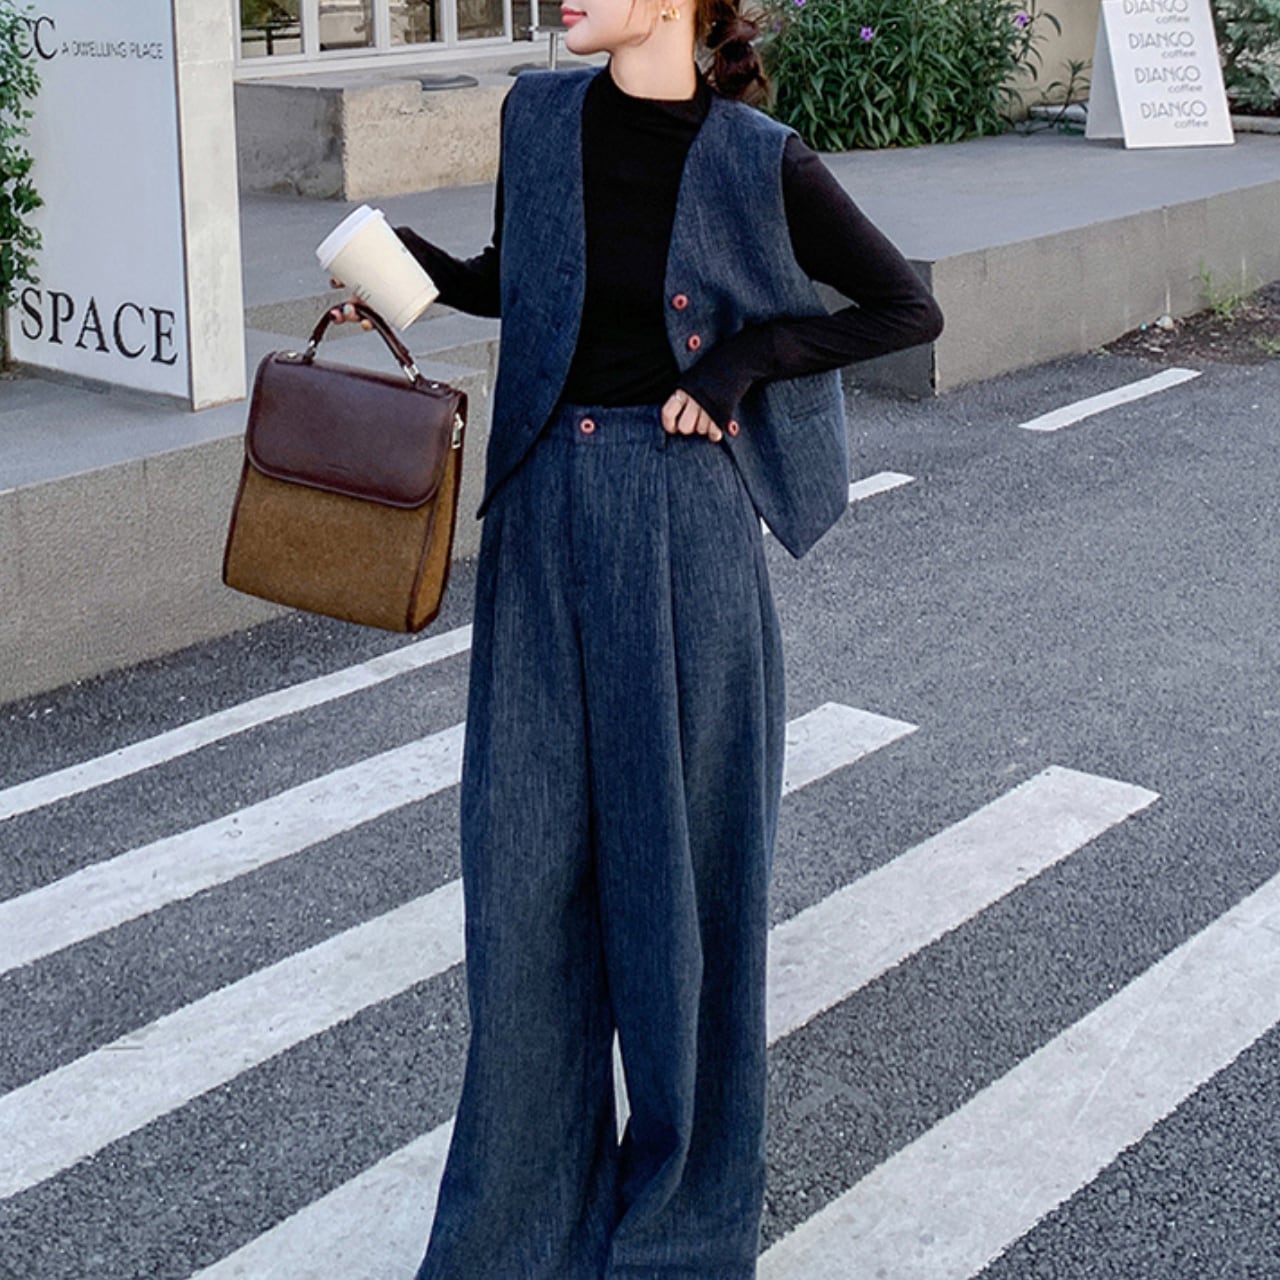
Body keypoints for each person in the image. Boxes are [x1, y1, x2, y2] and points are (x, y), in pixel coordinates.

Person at [330, 0, 943, 1271]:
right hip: (539, 517)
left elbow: (900, 306)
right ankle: (516, 1228)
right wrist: (414, 267)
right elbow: (526, 280)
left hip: (682, 531)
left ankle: (677, 1227)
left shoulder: (756, 157)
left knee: (684, 890)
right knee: (521, 880)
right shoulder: (537, 115)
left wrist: (741, 362)